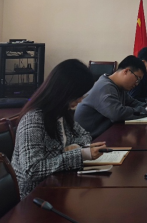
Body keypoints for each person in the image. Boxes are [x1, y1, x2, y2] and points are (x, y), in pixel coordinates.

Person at [12, 59, 107, 200]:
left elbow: (85, 135)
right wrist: (79, 155)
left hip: (57, 187)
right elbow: (32, 170)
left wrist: (74, 148)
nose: (80, 100)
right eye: (78, 95)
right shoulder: (33, 119)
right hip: (35, 196)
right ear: (64, 91)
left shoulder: (61, 114)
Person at [75, 55, 147, 138]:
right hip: (90, 140)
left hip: (105, 135)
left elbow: (132, 102)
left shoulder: (117, 87)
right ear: (126, 71)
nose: (137, 84)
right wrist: (146, 111)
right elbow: (117, 113)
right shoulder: (105, 87)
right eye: (137, 79)